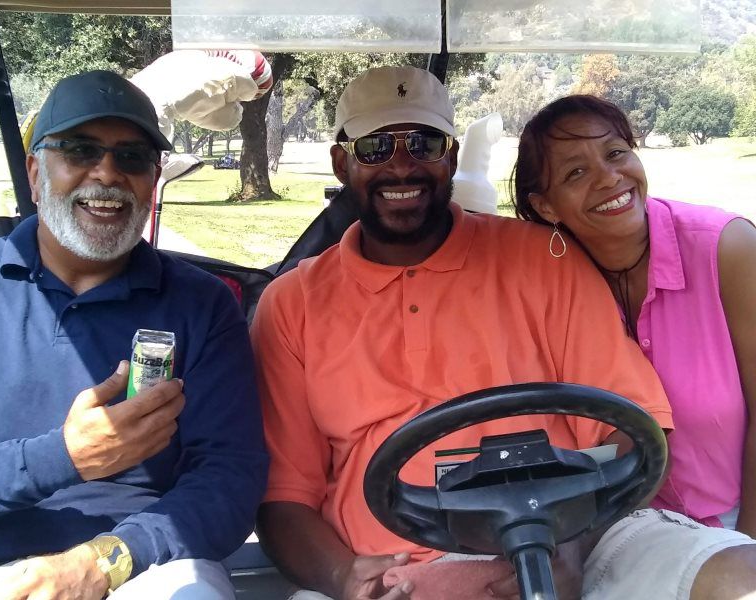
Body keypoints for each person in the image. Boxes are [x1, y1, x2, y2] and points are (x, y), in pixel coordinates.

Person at [250, 65, 756, 600]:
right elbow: (284, 497)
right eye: (375, 147)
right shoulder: (291, 304)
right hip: (387, 568)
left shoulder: (545, 259)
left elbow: (632, 427)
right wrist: (345, 578)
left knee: (738, 576)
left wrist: (570, 547)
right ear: (341, 162)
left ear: (451, 157)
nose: (402, 164)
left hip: (578, 535)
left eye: (424, 143)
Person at [0, 70, 268, 600]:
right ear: (34, 172)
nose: (107, 173)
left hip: (139, 565)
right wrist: (63, 458)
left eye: (132, 157)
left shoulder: (203, 304)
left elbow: (229, 478)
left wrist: (106, 561)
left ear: (153, 178)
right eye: (80, 150)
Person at [512, 94, 756, 537]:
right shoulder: (546, 283)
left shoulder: (727, 249)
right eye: (576, 172)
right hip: (620, 529)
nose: (609, 178)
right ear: (546, 206)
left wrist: (748, 546)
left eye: (615, 153)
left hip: (735, 520)